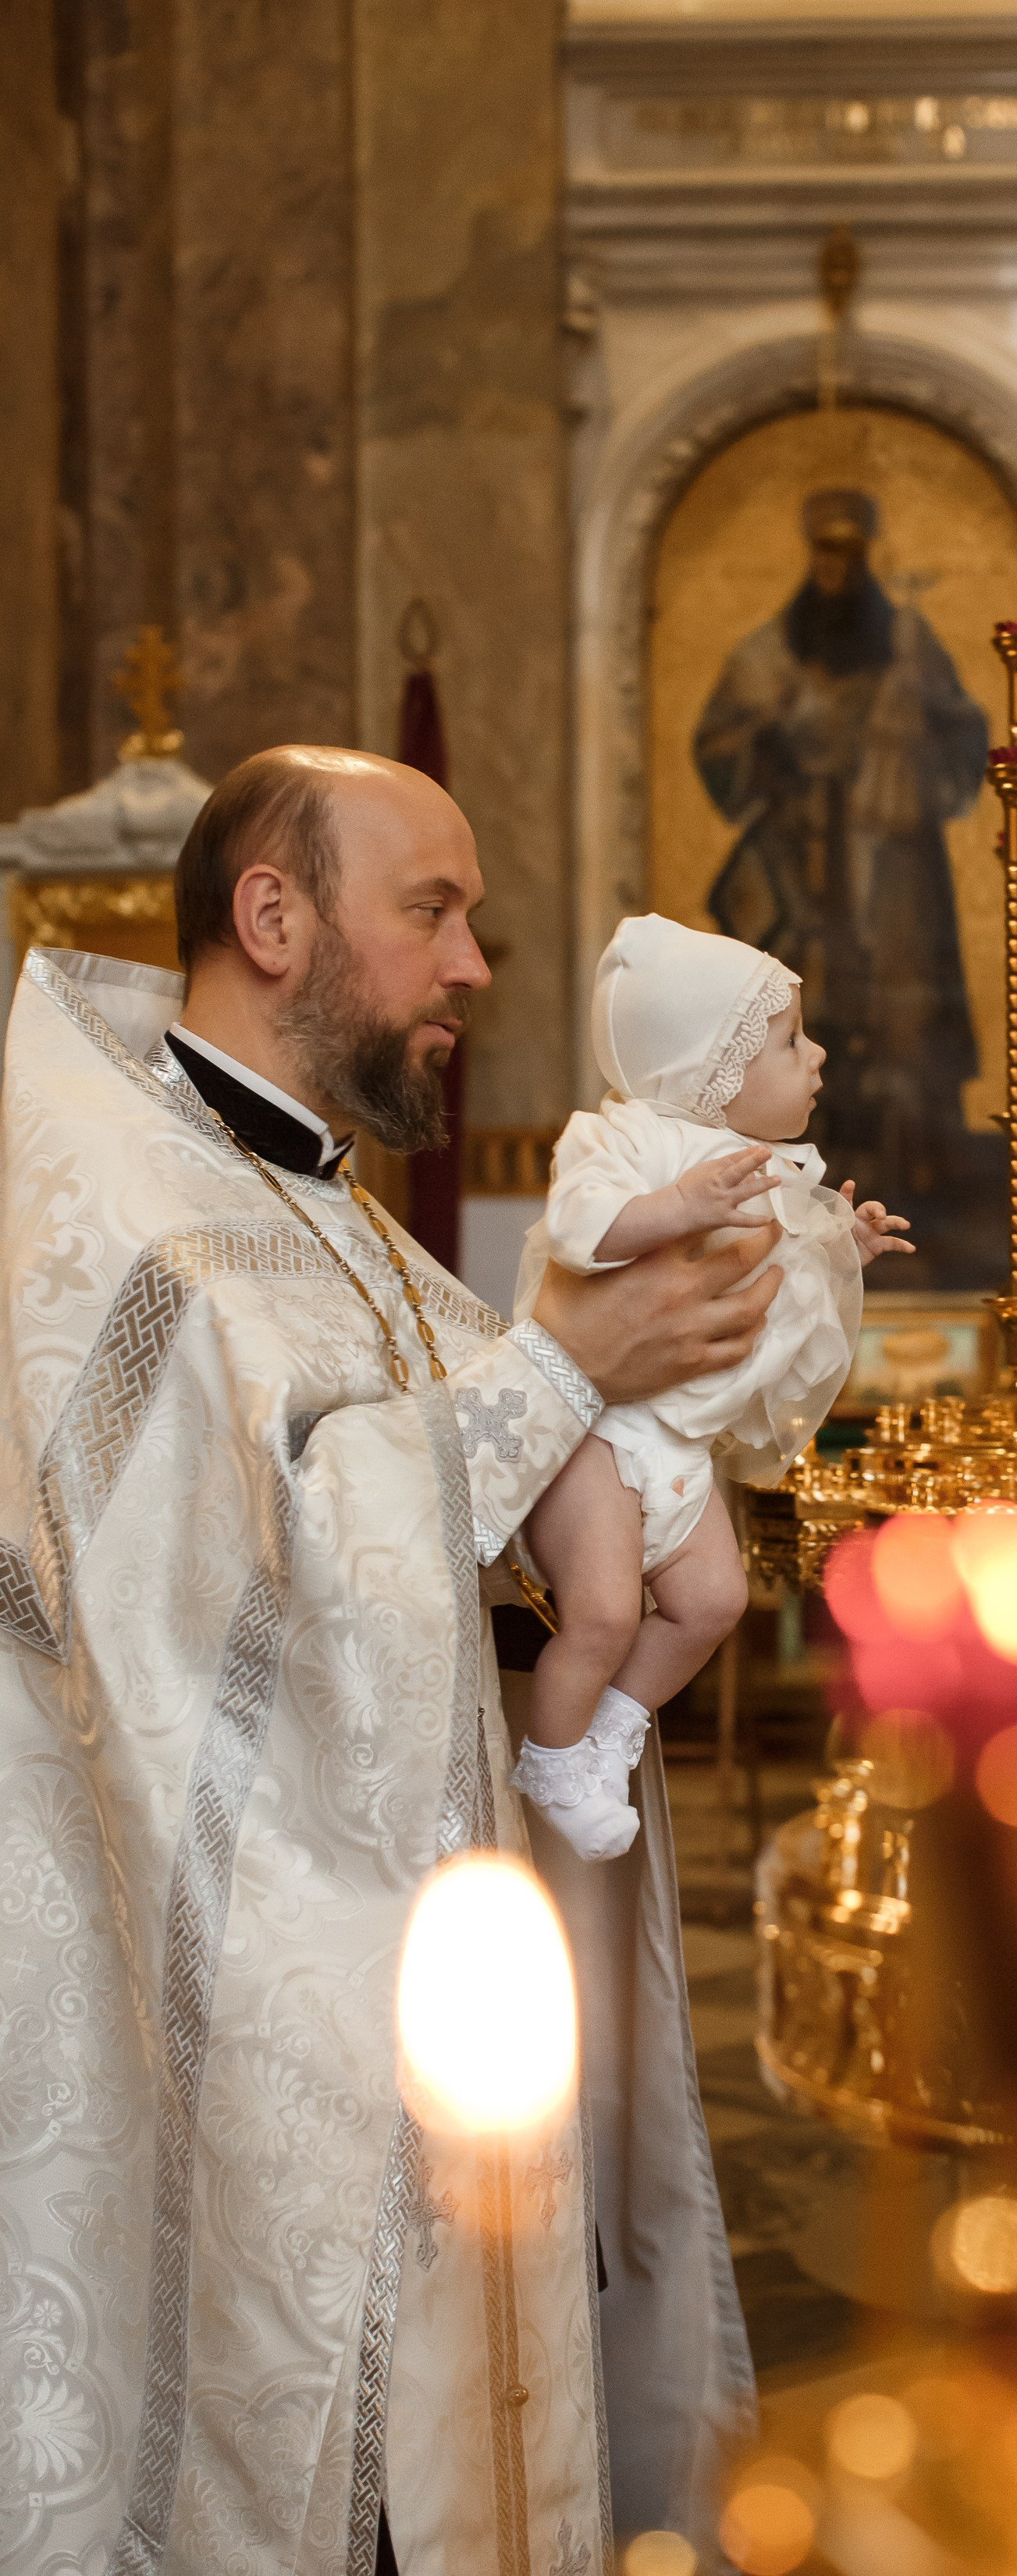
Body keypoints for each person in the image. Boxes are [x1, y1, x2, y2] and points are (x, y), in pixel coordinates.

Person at [0, 747, 773, 2575]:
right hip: (213, 1988)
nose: (475, 967)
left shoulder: (315, 1198)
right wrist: (567, 1367)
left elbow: (482, 1446)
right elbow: (279, 1566)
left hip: (435, 1977)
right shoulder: (106, 1198)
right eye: (431, 912)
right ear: (274, 919)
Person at [509, 913, 911, 1860]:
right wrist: (677, 1205)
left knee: (714, 1603)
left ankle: (607, 1729)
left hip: (679, 1447)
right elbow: (578, 1226)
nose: (816, 1056)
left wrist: (839, 1248)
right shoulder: (627, 1140)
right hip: (605, 1429)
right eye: (787, 1041)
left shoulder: (765, 1170)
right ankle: (550, 1759)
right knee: (604, 1609)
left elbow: (778, 1288)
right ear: (708, 1069)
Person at [694, 487, 997, 1278]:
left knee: (901, 1025)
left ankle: (909, 1199)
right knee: (800, 1015)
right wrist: (775, 742)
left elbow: (965, 738)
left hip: (889, 871)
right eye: (822, 555)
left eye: (848, 557)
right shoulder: (766, 656)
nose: (834, 572)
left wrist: (917, 725)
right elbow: (721, 747)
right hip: (801, 870)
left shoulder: (906, 644)